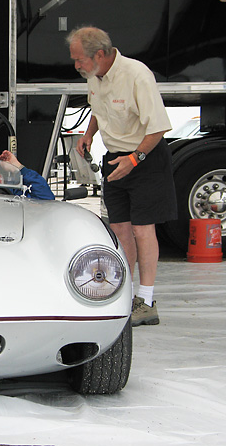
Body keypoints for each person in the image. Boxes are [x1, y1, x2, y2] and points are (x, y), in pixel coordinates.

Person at [67, 26, 177, 326]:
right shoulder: (96, 76)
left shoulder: (136, 75)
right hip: (116, 158)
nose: (76, 65)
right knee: (119, 228)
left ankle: (147, 301)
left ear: (99, 54)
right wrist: (88, 135)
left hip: (145, 156)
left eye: (79, 59)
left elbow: (158, 127)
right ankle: (125, 295)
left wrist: (134, 158)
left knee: (143, 229)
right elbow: (98, 109)